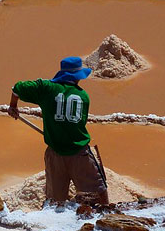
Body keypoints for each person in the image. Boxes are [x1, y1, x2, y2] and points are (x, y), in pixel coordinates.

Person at [7, 56, 108, 207]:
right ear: (77, 77)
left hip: (55, 154)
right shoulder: (83, 96)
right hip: (79, 154)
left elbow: (17, 88)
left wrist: (13, 106)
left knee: (54, 202)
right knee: (99, 195)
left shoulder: (45, 88)